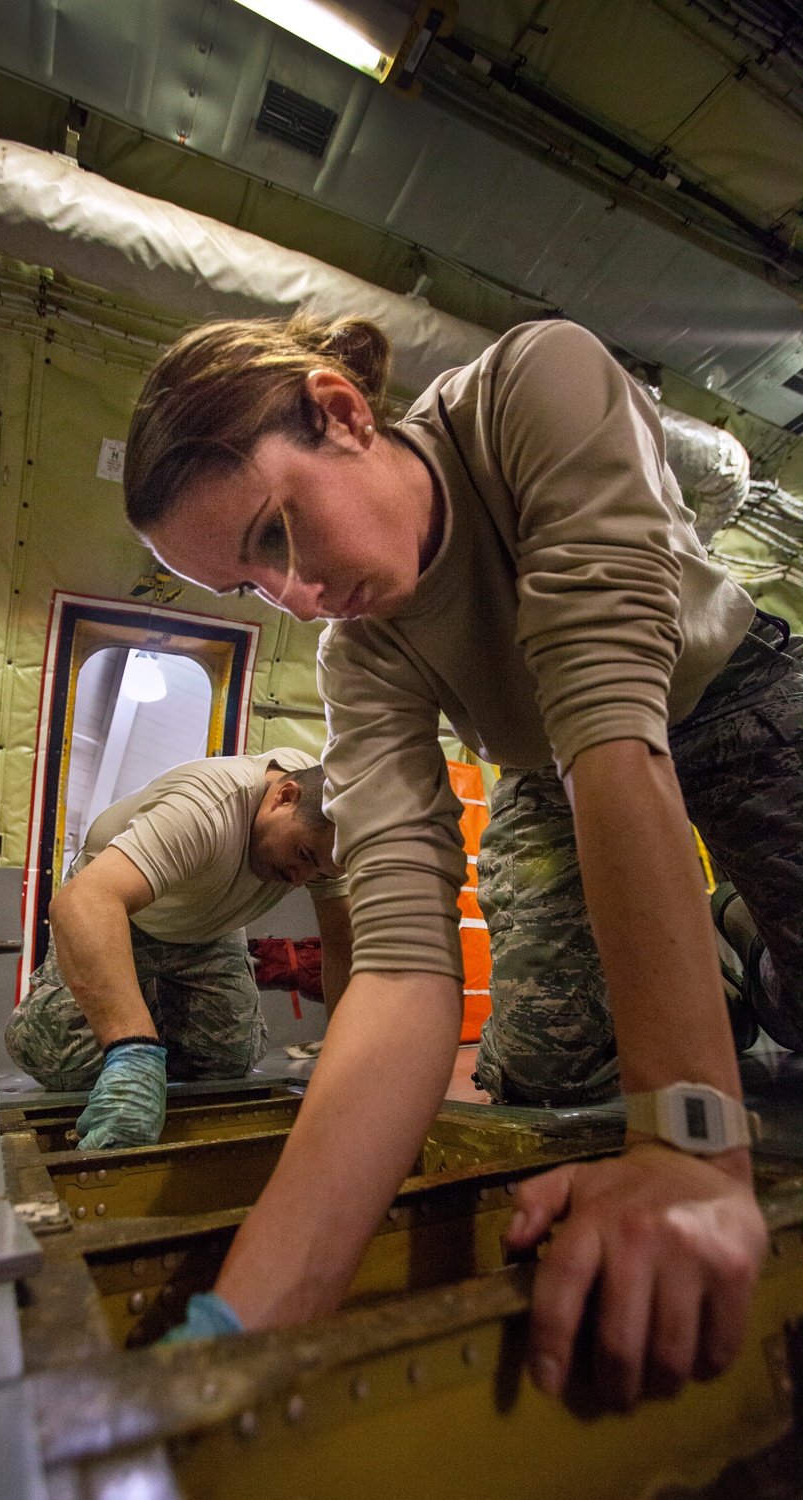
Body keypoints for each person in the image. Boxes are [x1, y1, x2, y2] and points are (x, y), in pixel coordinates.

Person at [121, 311, 803, 1402]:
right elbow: (398, 966)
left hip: (721, 697)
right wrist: (233, 1340)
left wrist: (687, 1149)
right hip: (553, 766)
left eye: (274, 535)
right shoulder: (364, 651)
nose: (291, 596)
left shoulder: (535, 384)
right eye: (249, 589)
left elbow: (610, 727)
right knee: (548, 1069)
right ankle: (725, 962)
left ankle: (748, 948)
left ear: (342, 415)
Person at [6, 751, 351, 1148]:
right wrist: (132, 1050)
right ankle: (137, 1020)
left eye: (319, 874)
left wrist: (346, 1056)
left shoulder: (328, 816)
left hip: (209, 931)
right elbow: (84, 901)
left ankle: (146, 1015)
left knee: (228, 1061)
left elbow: (342, 947)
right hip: (123, 918)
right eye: (303, 857)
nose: (299, 880)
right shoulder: (204, 808)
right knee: (58, 1061)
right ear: (283, 797)